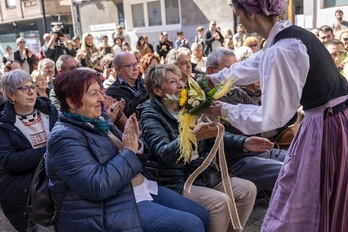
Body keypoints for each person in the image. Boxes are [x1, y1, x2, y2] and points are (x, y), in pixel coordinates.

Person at [205, 1, 348, 231]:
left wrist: (222, 109)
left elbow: (272, 116)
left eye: (237, 13)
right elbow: (253, 64)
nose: (238, 20)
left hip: (326, 123)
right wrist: (213, 79)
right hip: (330, 118)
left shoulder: (283, 48)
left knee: (300, 192)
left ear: (250, 13)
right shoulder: (287, 37)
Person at [47, 67, 210, 231]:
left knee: (202, 215)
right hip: (105, 208)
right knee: (191, 225)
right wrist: (130, 151)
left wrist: (137, 145)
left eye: (100, 92)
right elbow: (97, 187)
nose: (101, 98)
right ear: (72, 102)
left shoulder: (99, 121)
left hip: (137, 189)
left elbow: (132, 156)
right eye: (93, 94)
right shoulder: (64, 137)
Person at [138, 64, 257, 231]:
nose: (180, 85)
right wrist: (193, 137)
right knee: (220, 202)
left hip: (200, 173)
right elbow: (164, 154)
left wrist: (244, 143)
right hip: (173, 181)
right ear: (157, 91)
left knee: (248, 189)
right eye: (173, 82)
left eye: (180, 80)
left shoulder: (188, 105)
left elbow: (213, 134)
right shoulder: (150, 115)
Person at [0, 69, 58, 232]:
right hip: (31, 194)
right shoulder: (4, 124)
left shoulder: (49, 111)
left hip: (58, 185)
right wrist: (50, 151)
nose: (32, 91)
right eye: (24, 89)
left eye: (32, 86)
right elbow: (9, 161)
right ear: (11, 95)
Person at [105, 52, 149, 117]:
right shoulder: (113, 91)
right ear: (118, 70)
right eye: (129, 66)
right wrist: (148, 92)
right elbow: (131, 112)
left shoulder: (146, 83)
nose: (135, 68)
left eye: (136, 64)